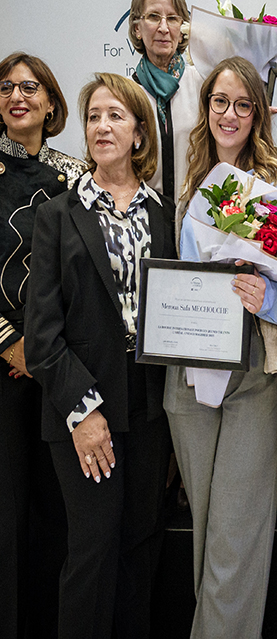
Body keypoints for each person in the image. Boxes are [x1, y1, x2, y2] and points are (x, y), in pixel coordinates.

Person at [26, 72, 175, 639]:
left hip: (152, 408)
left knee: (142, 547)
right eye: (93, 116)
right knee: (90, 554)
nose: (101, 126)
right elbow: (42, 335)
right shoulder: (58, 216)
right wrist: (83, 414)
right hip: (84, 414)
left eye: (115, 115)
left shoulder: (167, 213)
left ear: (139, 131)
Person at [164, 56, 277, 639]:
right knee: (209, 536)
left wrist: (268, 298)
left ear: (259, 114)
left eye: (244, 104)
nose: (230, 114)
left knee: (236, 533)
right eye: (220, 101)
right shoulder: (178, 184)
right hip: (188, 373)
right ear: (206, 108)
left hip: (254, 371)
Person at [0, 52, 85, 639]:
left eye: (30, 87)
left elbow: (87, 279)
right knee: (6, 516)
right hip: (4, 366)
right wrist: (9, 343)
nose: (17, 96)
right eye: (6, 88)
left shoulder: (77, 175)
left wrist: (47, 348)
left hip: (58, 366)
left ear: (51, 103)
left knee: (61, 511)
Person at [129, 0, 204, 200]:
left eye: (172, 18)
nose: (163, 28)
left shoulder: (202, 85)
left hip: (196, 218)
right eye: (153, 17)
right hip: (142, 220)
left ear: (182, 30)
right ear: (137, 29)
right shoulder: (125, 94)